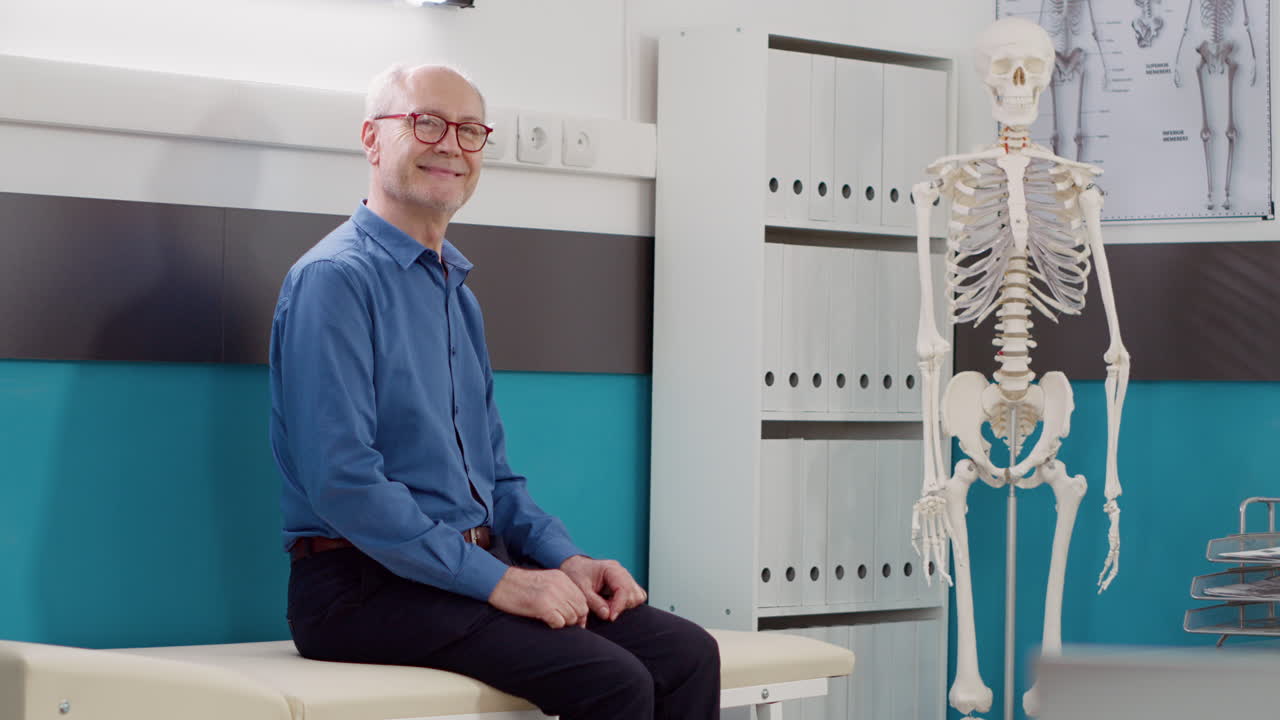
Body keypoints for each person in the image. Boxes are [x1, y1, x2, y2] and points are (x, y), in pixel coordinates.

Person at [268, 63, 720, 719]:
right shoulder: (334, 281)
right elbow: (344, 485)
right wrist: (501, 582)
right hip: (359, 589)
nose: (451, 144)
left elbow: (498, 482)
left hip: (457, 575)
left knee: (687, 656)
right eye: (426, 122)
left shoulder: (458, 296)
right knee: (613, 680)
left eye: (470, 130)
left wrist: (567, 560)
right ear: (372, 138)